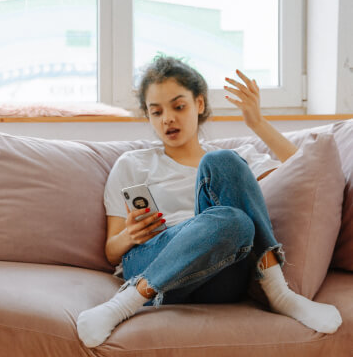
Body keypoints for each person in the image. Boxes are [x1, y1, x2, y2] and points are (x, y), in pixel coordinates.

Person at [76, 56, 342, 348]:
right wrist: (129, 235)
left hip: (220, 271)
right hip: (154, 259)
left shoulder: (231, 161)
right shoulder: (132, 164)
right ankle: (124, 303)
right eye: (156, 112)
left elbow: (306, 169)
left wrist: (257, 122)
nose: (167, 119)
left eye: (179, 106)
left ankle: (279, 293)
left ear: (199, 105)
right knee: (233, 217)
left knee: (232, 204)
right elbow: (112, 252)